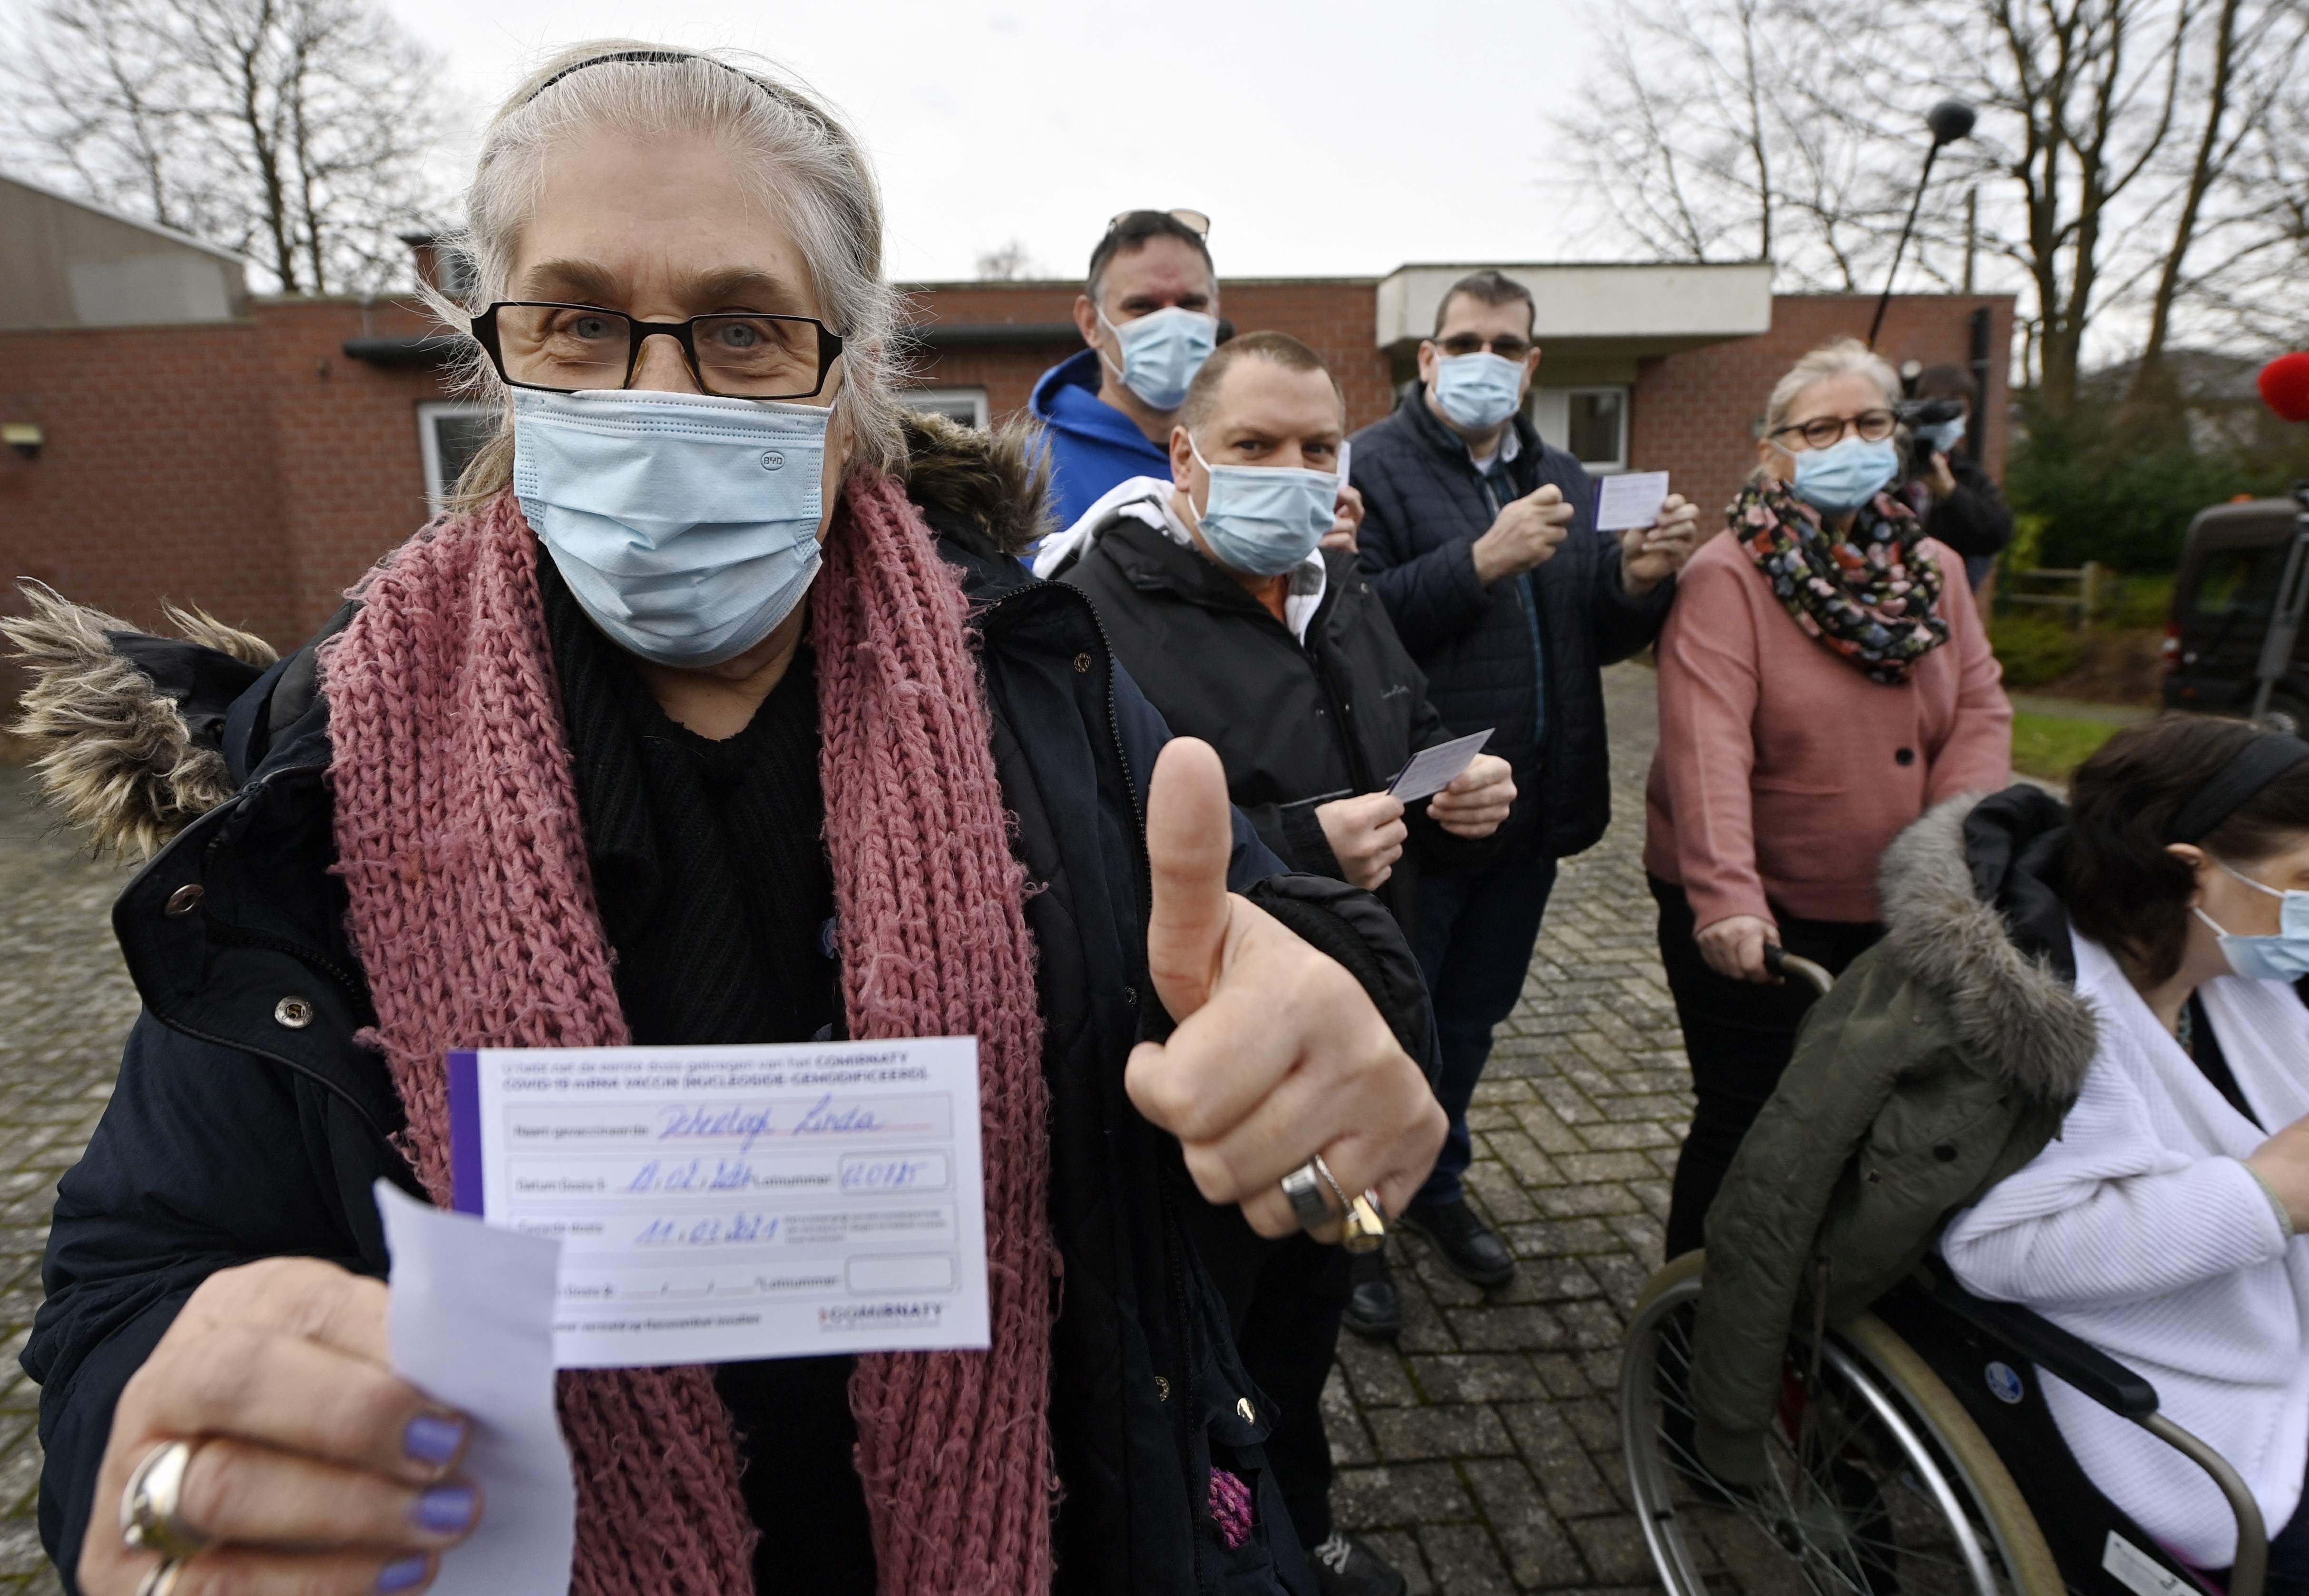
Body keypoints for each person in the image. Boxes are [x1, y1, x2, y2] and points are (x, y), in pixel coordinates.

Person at [6, 45, 1451, 1596]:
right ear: (500, 359)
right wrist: (167, 1429)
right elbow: (130, 1278)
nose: (656, 397)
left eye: (744, 329)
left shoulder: (1044, 683)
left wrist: (1333, 1015)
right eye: (578, 324)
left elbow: (1283, 954)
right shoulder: (328, 763)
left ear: (850, 374)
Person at [1042, 330, 1516, 1596]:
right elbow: (1083, 846)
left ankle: (1297, 1526)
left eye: (1317, 448)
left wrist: (1455, 793)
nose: (1291, 474)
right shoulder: (1093, 613)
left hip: (1352, 1038)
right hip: (1206, 1077)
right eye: (1254, 445)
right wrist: (1300, 844)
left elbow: (1405, 733)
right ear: (1183, 455)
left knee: (1307, 1310)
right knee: (1209, 1338)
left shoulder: (1335, 587)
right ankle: (1218, 1546)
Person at [1682, 718, 2309, 1589]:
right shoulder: (2039, 1036)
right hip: (2166, 1391)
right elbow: (1997, 1248)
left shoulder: (2245, 982)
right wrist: (2258, 1197)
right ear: (2188, 870)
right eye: (2304, 880)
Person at [1349, 268, 1702, 1335]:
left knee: (1472, 1021)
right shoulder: (1370, 467)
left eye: (1505, 345)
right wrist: (1477, 562)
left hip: (1530, 813)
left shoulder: (1566, 476)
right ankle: (1356, 1224)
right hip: (1423, 817)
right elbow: (1352, 627)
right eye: (1464, 342)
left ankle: (1435, 1185)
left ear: (1532, 363)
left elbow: (1597, 630)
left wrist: (1637, 578)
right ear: (1426, 358)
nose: (1484, 361)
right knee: (1388, 1026)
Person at [1647, 336, 2011, 1264]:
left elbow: (1978, 705)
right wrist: (1727, 897)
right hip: (1764, 911)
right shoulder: (1726, 575)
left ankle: (1818, 1296)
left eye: (1869, 422)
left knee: (1869, 1121)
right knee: (1749, 1117)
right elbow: (1706, 745)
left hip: (1901, 902)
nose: (1847, 442)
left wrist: (1954, 846)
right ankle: (1700, 1314)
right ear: (1773, 450)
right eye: (1819, 429)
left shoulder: (1932, 567)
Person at [1030, 209, 1221, 529]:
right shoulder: (1030, 477)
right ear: (1091, 323)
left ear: (1215, 311)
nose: (1172, 325)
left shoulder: (1254, 460)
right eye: (1143, 306)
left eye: (1191, 304)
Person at [1900, 361, 2013, 595]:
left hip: (1943, 594)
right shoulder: (1890, 462)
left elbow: (1996, 534)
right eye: (1938, 405)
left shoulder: (1968, 474)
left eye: (1957, 409)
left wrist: (1952, 493)